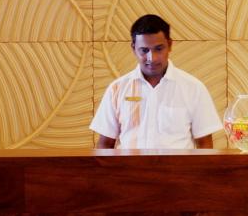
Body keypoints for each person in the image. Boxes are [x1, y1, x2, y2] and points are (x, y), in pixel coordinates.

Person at [90, 14, 222, 149]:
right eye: (144, 50)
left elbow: (205, 144)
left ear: (169, 45)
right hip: (130, 164)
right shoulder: (117, 89)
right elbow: (105, 144)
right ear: (133, 48)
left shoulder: (194, 88)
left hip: (177, 164)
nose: (151, 58)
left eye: (158, 49)